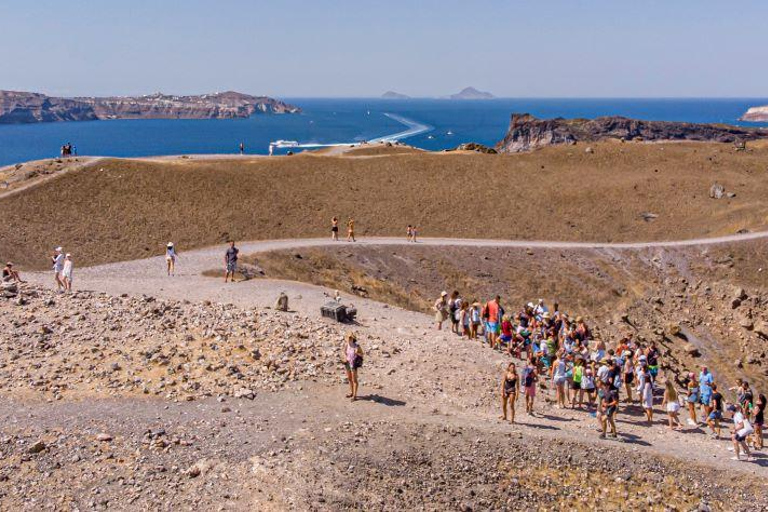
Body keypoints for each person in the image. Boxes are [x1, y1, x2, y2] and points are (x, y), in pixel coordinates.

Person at [341, 332, 363, 401]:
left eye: (350, 338)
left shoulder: (357, 346)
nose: (349, 339)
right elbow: (344, 352)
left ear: (353, 338)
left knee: (354, 380)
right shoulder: (347, 345)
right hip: (348, 363)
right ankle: (351, 392)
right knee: (350, 379)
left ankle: (355, 396)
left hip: (354, 364)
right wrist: (345, 357)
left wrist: (357, 353)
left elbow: (362, 354)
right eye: (348, 338)